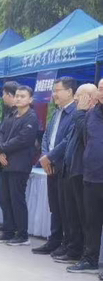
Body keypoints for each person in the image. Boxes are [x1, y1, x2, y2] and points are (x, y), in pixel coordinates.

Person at [41, 77, 84, 264]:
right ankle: (55, 240)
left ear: (70, 92)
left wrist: (50, 157)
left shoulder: (75, 112)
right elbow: (46, 136)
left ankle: (68, 244)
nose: (54, 94)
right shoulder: (56, 112)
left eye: (57, 90)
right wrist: (45, 155)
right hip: (50, 165)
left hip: (64, 166)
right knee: (55, 206)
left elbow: (68, 140)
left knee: (66, 209)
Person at [0, 85, 38, 245]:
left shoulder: (31, 117)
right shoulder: (12, 115)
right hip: (4, 162)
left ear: (30, 99)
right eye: (17, 95)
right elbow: (1, 133)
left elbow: (23, 139)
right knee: (4, 199)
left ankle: (22, 235)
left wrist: (1, 149)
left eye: (22, 96)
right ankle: (8, 231)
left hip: (19, 164)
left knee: (17, 200)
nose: (18, 98)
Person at [65, 81, 102, 273]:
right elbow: (85, 140)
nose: (102, 92)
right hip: (91, 176)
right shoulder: (91, 115)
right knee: (91, 221)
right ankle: (90, 259)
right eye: (101, 88)